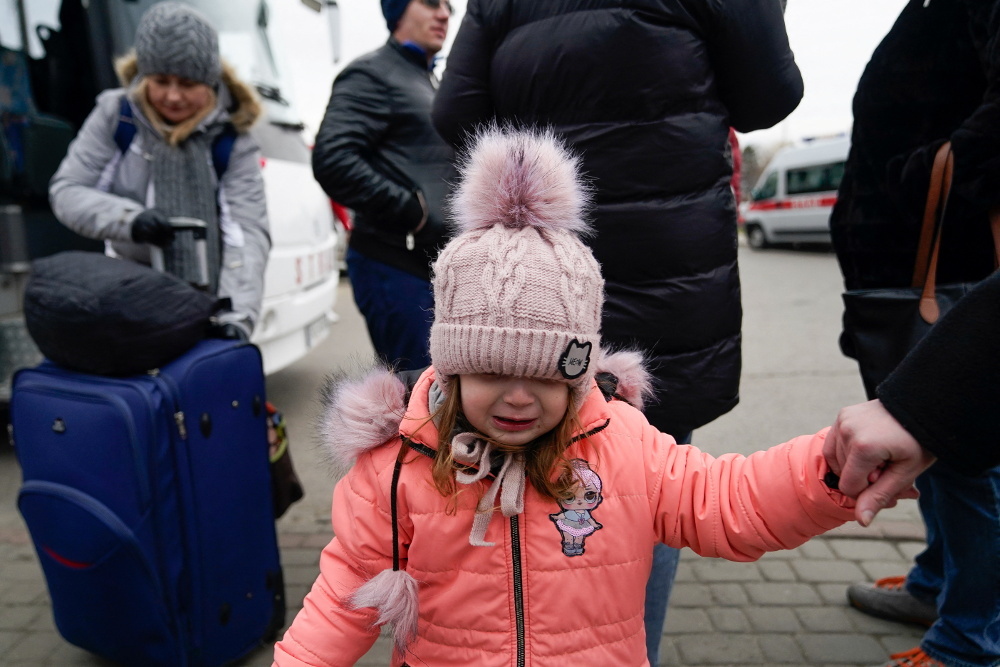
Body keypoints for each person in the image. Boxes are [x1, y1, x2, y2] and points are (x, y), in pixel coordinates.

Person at [272, 127, 857, 667]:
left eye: (548, 377)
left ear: (578, 373)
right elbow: (343, 594)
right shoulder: (399, 464)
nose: (519, 398)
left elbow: (730, 500)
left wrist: (831, 467)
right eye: (492, 372)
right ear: (451, 369)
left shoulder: (621, 444)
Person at [429, 2, 802, 663]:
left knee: (526, 448)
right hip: (667, 259)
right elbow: (770, 92)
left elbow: (456, 112)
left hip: (541, 268)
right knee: (649, 480)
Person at [827, 1, 1000, 665]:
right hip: (899, 271)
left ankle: (968, 638)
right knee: (922, 444)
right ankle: (936, 580)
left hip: (947, 270)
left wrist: (923, 175)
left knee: (962, 462)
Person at [49, 2, 269, 341]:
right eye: (160, 80)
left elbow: (246, 233)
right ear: (143, 75)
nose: (172, 95)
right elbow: (67, 190)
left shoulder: (232, 139)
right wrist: (130, 221)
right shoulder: (116, 116)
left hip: (208, 304)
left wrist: (236, 315)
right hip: (128, 300)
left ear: (210, 81)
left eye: (187, 82)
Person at [310, 0, 455, 372]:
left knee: (440, 393)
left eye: (449, 6)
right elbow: (333, 158)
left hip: (426, 265)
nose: (445, 14)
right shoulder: (372, 73)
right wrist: (412, 211)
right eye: (431, 3)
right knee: (419, 397)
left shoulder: (426, 77)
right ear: (398, 11)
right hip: (391, 261)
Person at [824, 268, 1000, 524]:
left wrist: (920, 405)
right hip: (920, 344)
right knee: (931, 485)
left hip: (950, 336)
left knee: (968, 499)